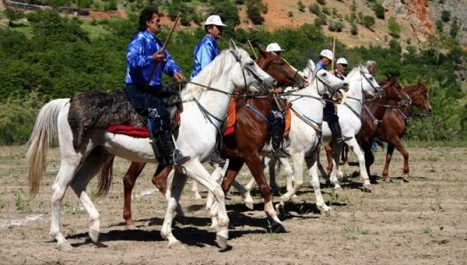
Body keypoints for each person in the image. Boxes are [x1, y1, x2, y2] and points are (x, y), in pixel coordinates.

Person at [124, 6, 190, 166]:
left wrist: (174, 71)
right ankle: (169, 154)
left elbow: (166, 60)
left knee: (177, 98)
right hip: (138, 88)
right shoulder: (139, 39)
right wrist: (151, 59)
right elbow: (131, 60)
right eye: (157, 21)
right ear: (148, 23)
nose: (160, 24)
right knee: (159, 112)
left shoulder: (158, 42)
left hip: (154, 87)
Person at [190, 14, 227, 164]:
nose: (220, 30)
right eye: (218, 28)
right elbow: (207, 70)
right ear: (209, 28)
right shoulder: (206, 45)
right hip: (201, 86)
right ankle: (213, 151)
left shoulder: (212, 44)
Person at [317, 49, 345, 158]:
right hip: (319, 95)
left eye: (330, 60)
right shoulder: (319, 67)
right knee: (330, 111)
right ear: (323, 58)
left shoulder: (323, 68)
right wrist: (329, 74)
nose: (329, 62)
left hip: (322, 94)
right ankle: (337, 135)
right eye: (328, 60)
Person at [265, 42, 288, 158]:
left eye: (279, 53)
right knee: (277, 117)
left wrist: (279, 89)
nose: (279, 55)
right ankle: (275, 147)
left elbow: (280, 83)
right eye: (276, 53)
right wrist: (270, 91)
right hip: (263, 98)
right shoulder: (264, 66)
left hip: (276, 97)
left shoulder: (278, 67)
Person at [365, 60, 385, 152]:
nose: (374, 69)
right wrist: (372, 95)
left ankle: (375, 141)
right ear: (369, 68)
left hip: (371, 102)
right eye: (373, 67)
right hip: (365, 102)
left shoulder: (371, 77)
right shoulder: (365, 77)